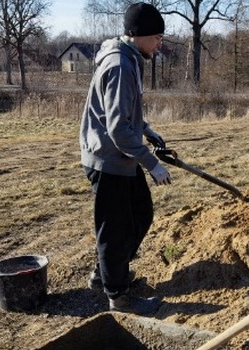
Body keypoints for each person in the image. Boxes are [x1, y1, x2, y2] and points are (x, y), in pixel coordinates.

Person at [79, 2, 171, 315]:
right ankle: (118, 297)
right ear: (138, 35)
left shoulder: (131, 57)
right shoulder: (119, 65)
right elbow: (117, 128)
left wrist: (147, 129)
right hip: (108, 159)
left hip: (121, 156)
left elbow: (125, 113)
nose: (160, 44)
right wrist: (152, 164)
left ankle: (106, 273)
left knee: (141, 214)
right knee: (115, 229)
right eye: (157, 38)